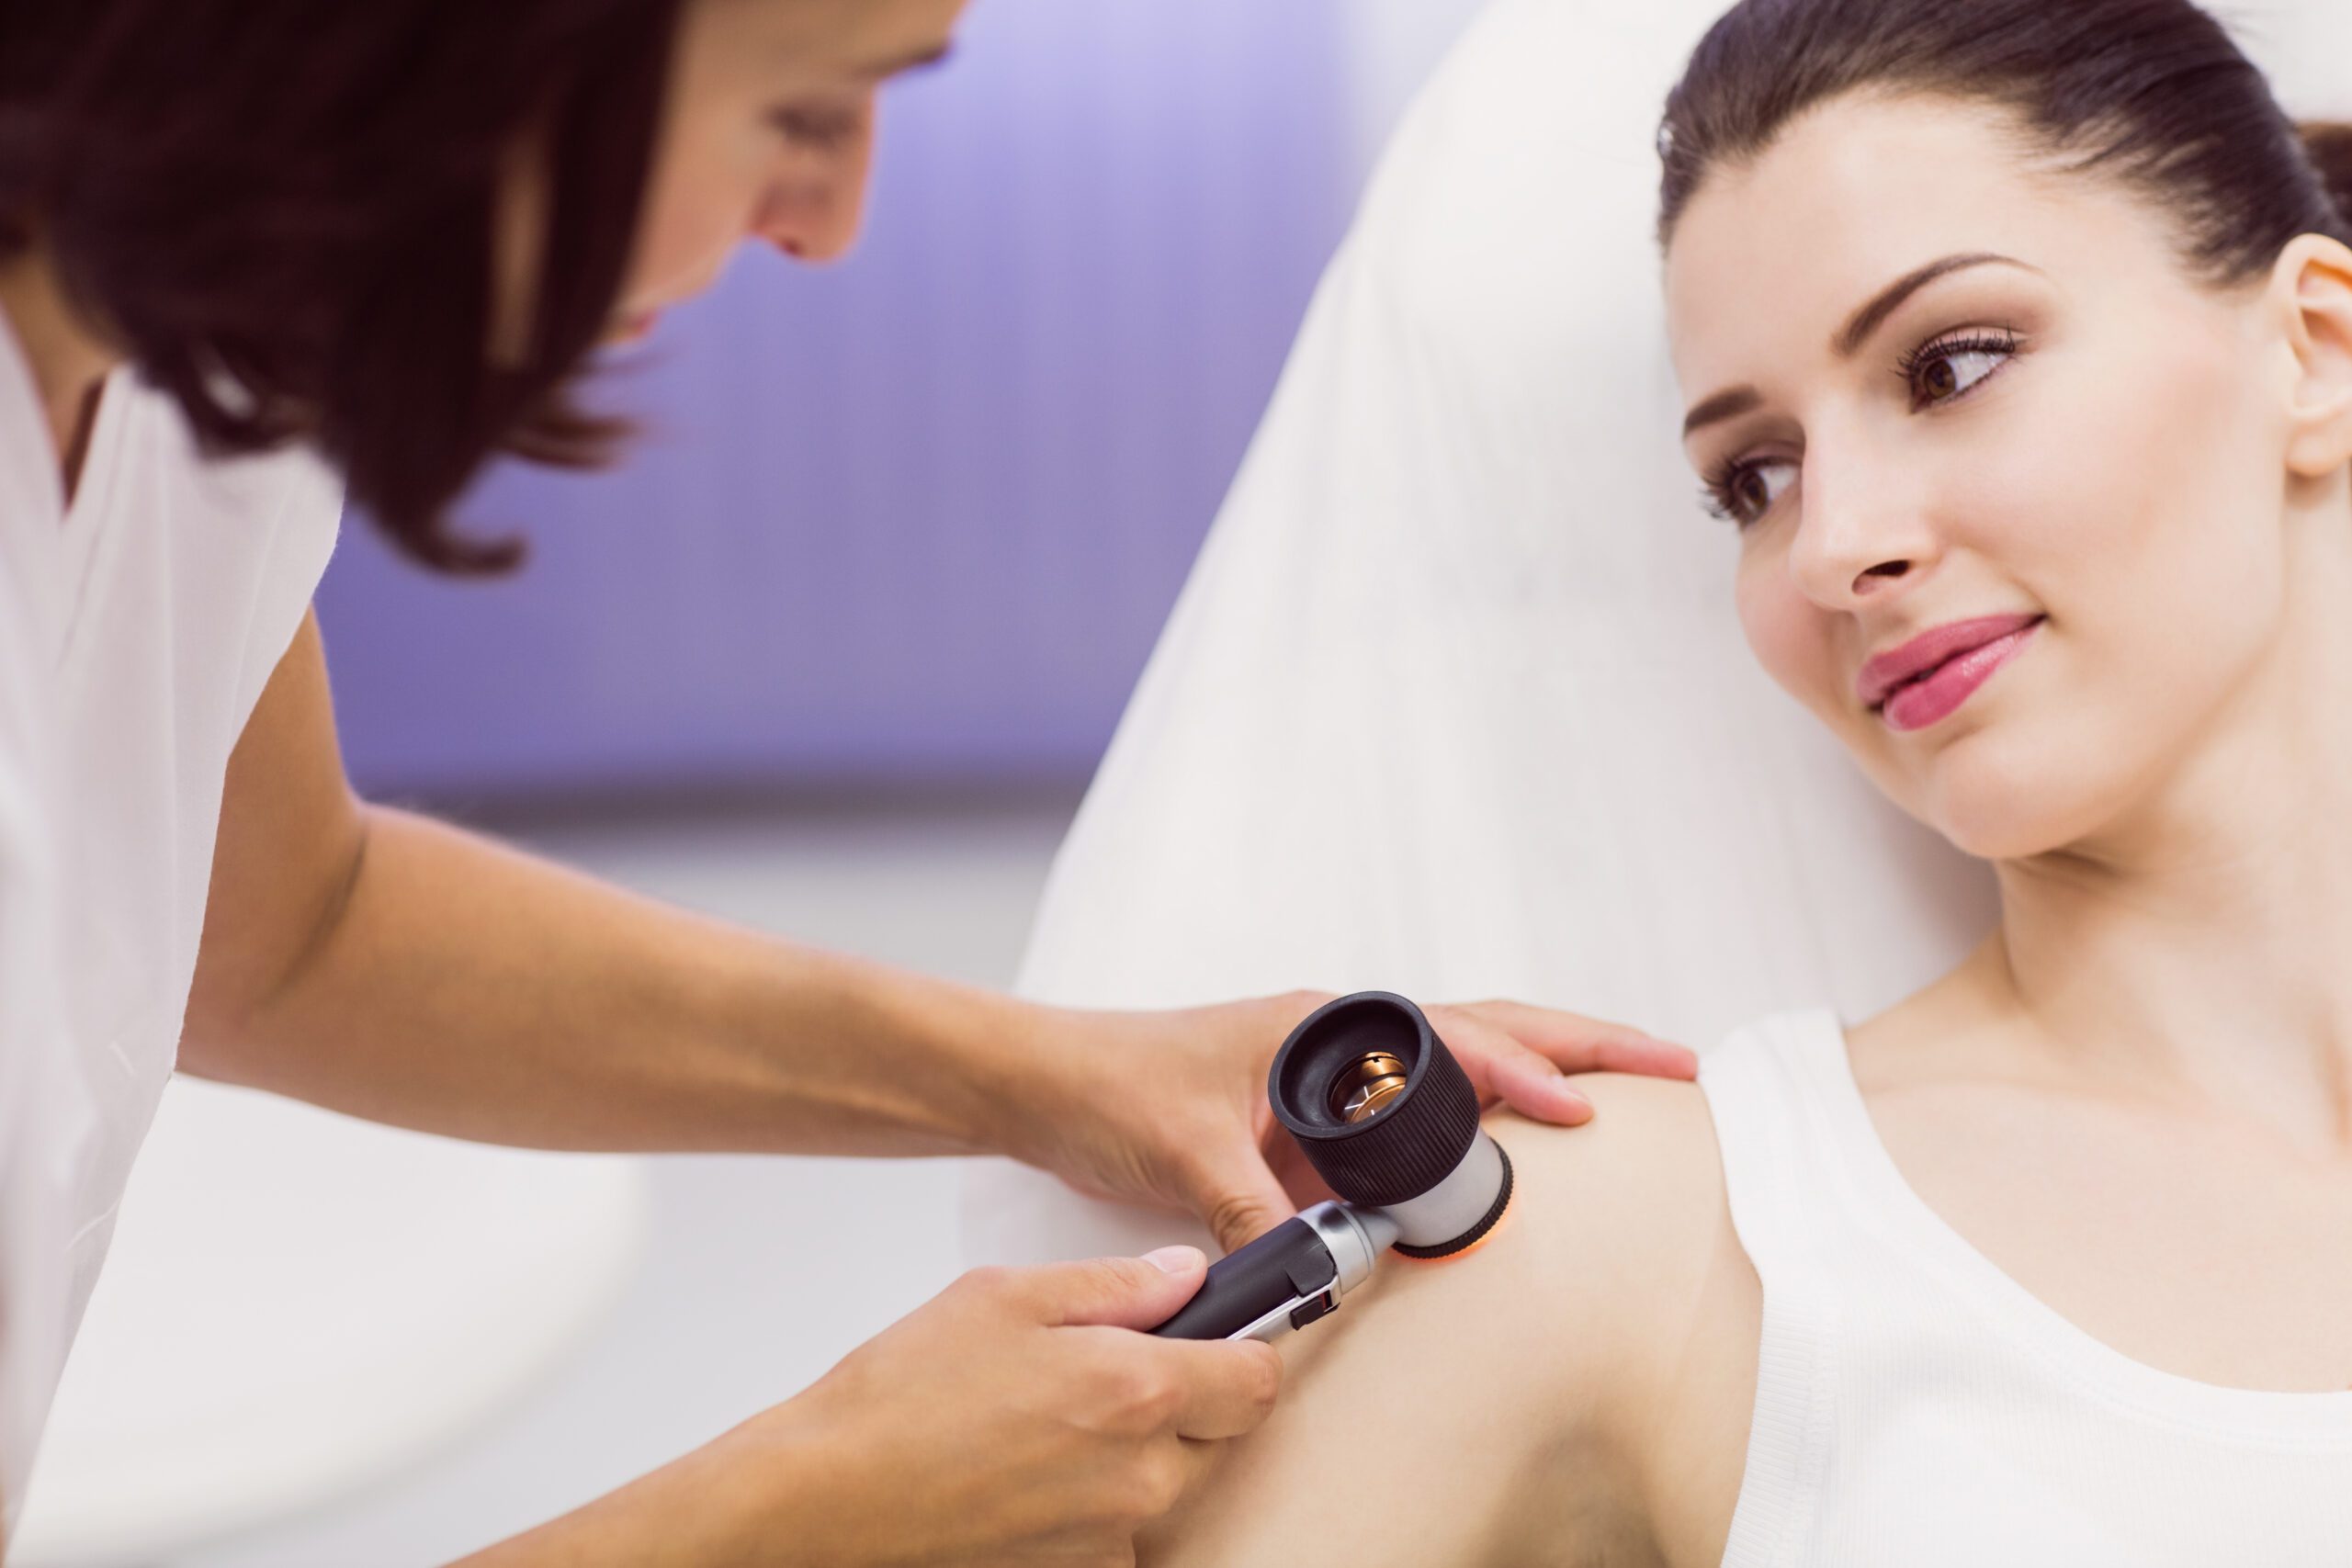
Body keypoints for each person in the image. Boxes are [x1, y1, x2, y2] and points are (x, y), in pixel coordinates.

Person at [0, 0, 1707, 1560]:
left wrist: (1045, 1070)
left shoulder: (187, 380)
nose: (830, 226)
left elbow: (286, 929)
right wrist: (801, 1504)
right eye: (808, 115)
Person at [1138, 1, 2352, 1562]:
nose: (1837, 546)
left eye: (1953, 362)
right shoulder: (1648, 1240)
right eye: (1752, 481)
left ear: (2312, 349)